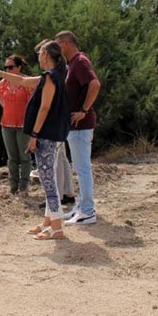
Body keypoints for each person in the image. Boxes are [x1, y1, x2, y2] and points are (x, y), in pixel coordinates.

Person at [0, 41, 70, 240]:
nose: (37, 57)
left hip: (46, 135)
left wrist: (34, 135)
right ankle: (49, 221)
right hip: (53, 135)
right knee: (49, 178)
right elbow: (23, 81)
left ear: (45, 55)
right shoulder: (53, 75)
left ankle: (57, 228)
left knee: (48, 182)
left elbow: (44, 108)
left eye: (39, 53)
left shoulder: (50, 77)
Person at [54, 30, 101, 225]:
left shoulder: (80, 61)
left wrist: (83, 109)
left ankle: (88, 211)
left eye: (58, 44)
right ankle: (82, 206)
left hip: (81, 125)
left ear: (66, 43)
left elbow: (95, 84)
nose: (57, 49)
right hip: (74, 126)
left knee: (82, 169)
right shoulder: (73, 63)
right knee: (80, 168)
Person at [0, 54, 33, 197]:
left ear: (19, 67)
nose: (7, 70)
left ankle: (24, 187)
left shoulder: (26, 81)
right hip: (7, 123)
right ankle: (13, 187)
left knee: (25, 156)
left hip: (23, 124)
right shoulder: (4, 82)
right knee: (12, 157)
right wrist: (4, 104)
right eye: (6, 67)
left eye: (10, 67)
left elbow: (35, 97)